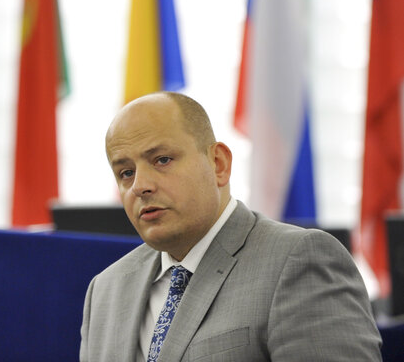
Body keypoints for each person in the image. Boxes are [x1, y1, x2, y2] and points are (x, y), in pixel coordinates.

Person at [80, 92, 382, 361]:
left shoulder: (300, 260)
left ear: (218, 164)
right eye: (126, 172)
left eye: (162, 159)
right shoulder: (105, 289)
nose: (140, 186)